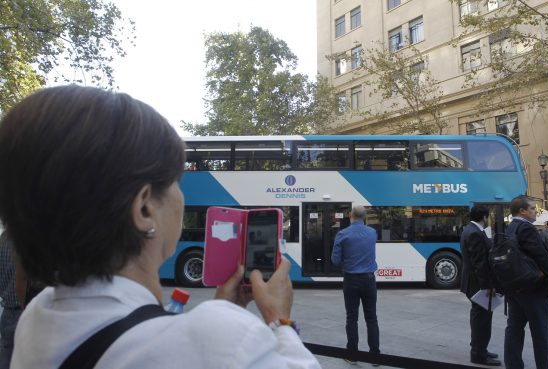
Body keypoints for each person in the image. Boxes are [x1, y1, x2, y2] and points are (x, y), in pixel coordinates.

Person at [0, 85, 320, 369]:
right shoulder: (222, 339)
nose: (180, 195)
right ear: (144, 208)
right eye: (175, 181)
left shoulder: (37, 316)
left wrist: (222, 312)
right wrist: (279, 320)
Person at [504, 195, 548, 369]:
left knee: (514, 328)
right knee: (540, 332)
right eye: (533, 208)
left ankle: (513, 365)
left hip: (515, 288)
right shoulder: (526, 228)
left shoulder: (510, 228)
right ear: (522, 211)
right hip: (534, 288)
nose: (536, 211)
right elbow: (541, 256)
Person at [331, 205, 380, 366]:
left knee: (352, 318)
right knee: (371, 318)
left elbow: (335, 260)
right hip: (369, 280)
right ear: (364, 217)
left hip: (351, 280)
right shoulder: (372, 233)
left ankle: (352, 355)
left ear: (350, 215)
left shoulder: (342, 234)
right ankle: (375, 356)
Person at [459, 206, 501, 366]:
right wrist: (488, 285)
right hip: (477, 284)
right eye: (488, 215)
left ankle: (480, 348)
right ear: (484, 217)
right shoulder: (475, 233)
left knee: (480, 318)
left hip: (473, 282)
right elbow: (480, 263)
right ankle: (478, 354)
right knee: (482, 319)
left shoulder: (469, 229)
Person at [0, 231, 22, 369]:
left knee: (6, 357)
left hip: (7, 311)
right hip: (25, 308)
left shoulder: (2, 241)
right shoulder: (25, 244)